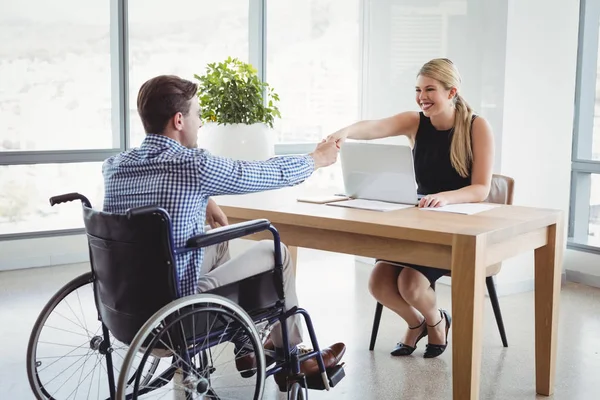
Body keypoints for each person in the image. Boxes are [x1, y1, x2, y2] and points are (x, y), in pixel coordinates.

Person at [102, 75, 346, 385]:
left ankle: (245, 347)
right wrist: (317, 159)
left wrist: (204, 198)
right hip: (176, 313)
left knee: (216, 241)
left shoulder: (115, 166)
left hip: (125, 310)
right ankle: (291, 357)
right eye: (197, 115)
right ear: (179, 120)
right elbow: (260, 173)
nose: (200, 123)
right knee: (276, 250)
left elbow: (150, 193)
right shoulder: (193, 165)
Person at [326, 58, 494, 358]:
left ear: (451, 91)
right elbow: (376, 127)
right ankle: (419, 323)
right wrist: (345, 132)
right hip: (418, 219)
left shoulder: (477, 126)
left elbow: (481, 188)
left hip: (453, 224)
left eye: (430, 89)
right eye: (418, 90)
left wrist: (446, 197)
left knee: (410, 283)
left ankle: (437, 323)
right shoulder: (416, 121)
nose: (422, 97)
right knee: (378, 282)